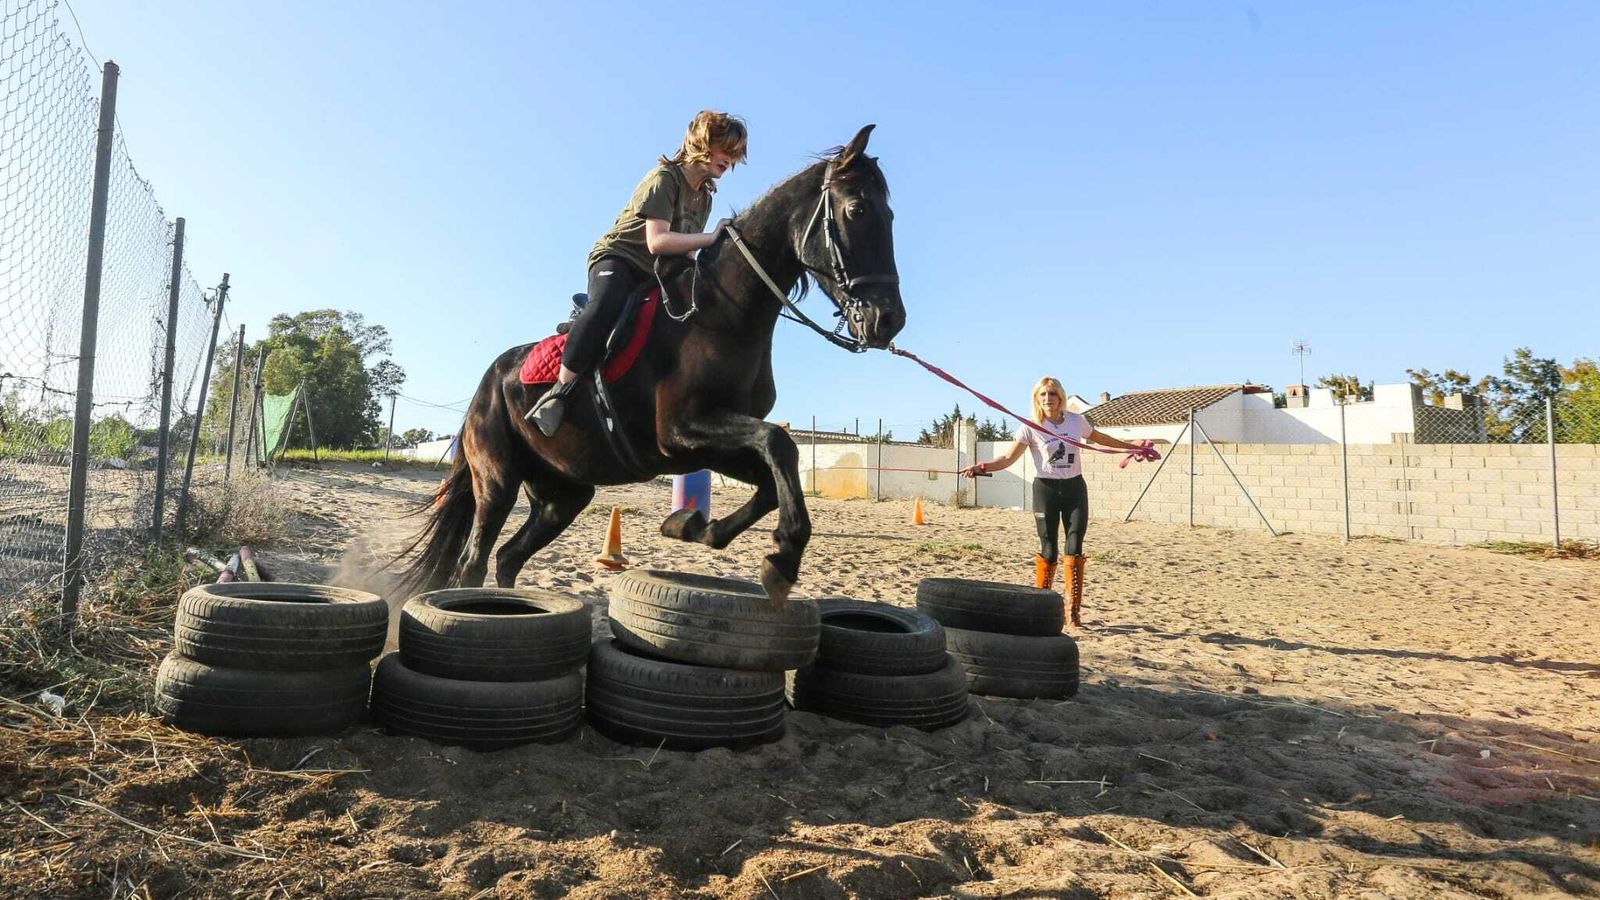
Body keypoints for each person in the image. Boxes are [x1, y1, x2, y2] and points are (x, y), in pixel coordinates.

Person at [528, 110, 749, 437]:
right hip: (619, 259)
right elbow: (657, 241)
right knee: (607, 306)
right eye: (726, 151)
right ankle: (559, 392)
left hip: (655, 271)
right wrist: (713, 237)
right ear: (702, 143)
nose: (730, 161)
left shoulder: (704, 197)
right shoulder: (664, 178)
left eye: (736, 155)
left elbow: (685, 252)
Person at [958, 377, 1156, 628]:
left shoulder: (1076, 421)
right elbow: (1008, 458)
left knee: (1074, 544)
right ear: (1036, 399)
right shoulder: (1030, 427)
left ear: (1060, 397)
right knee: (1049, 548)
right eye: (1042, 395)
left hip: (1074, 489)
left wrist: (1131, 447)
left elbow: (1100, 438)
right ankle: (1040, 608)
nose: (1047, 399)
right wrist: (980, 467)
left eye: (1052, 394)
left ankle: (1072, 612)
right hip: (1046, 490)